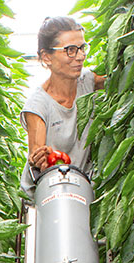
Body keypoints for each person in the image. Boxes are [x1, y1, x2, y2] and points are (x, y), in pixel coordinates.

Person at [19, 16, 106, 196]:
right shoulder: (38, 106)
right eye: (70, 50)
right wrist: (40, 158)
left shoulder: (87, 81)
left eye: (82, 48)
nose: (80, 56)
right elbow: (36, 151)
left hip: (78, 188)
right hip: (46, 194)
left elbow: (118, 79)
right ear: (46, 57)